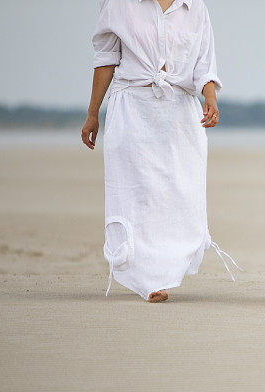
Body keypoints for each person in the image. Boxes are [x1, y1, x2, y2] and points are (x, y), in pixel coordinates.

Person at [82, 0, 240, 303]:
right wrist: (93, 113)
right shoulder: (119, 5)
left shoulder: (195, 8)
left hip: (180, 112)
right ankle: (148, 279)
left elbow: (205, 65)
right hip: (132, 107)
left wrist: (210, 99)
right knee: (138, 193)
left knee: (178, 192)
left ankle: (169, 269)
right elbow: (105, 57)